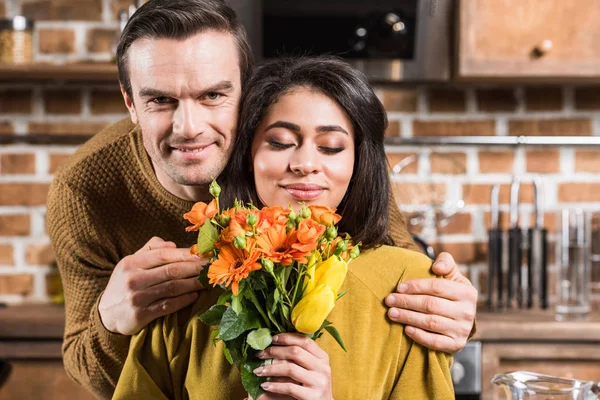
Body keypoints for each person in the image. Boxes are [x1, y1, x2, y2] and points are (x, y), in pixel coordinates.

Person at [45, 1, 476, 398]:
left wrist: (454, 311)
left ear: (247, 92)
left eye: (213, 95)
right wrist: (113, 321)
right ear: (131, 103)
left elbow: (390, 260)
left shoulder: (311, 168)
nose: (189, 126)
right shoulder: (84, 192)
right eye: (160, 100)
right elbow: (91, 368)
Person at [113, 55, 455, 400]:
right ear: (248, 155)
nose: (305, 164)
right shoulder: (182, 285)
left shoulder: (412, 287)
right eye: (279, 142)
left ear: (358, 161)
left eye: (331, 147)